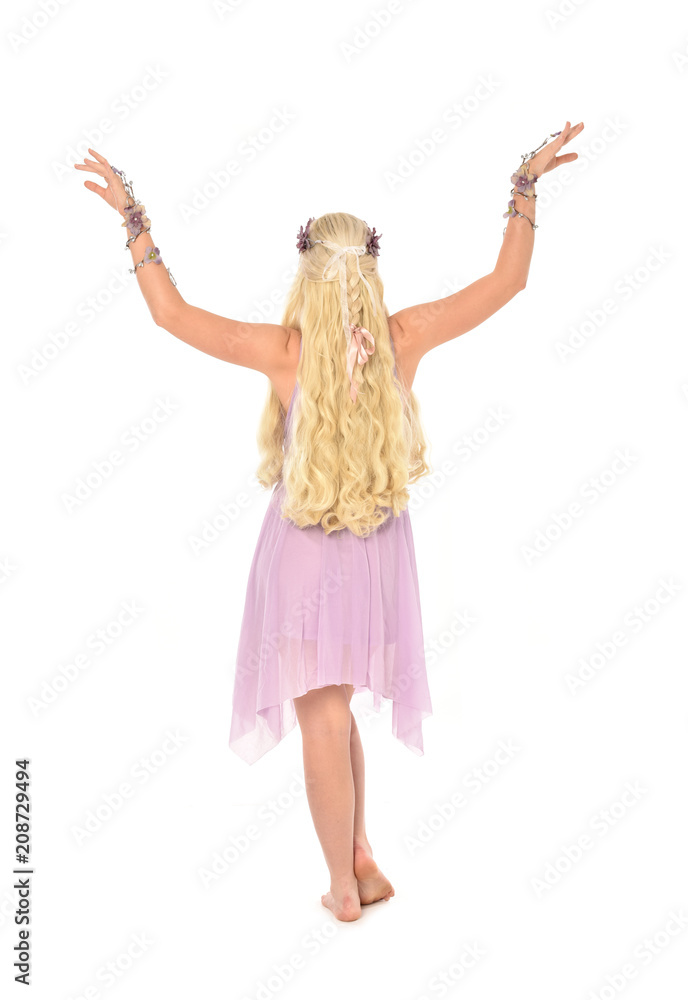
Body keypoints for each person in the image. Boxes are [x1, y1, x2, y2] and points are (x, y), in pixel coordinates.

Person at [74, 120, 584, 922]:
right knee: (337, 707)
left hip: (306, 556)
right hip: (377, 555)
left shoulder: (285, 350)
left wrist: (134, 218)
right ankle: (362, 856)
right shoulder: (400, 338)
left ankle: (342, 890)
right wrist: (524, 185)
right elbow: (505, 283)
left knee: (322, 714)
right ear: (371, 273)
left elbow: (171, 315)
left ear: (307, 272)